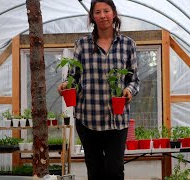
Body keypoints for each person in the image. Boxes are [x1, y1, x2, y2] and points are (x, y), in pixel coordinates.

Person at [57, 0, 139, 179]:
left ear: (114, 13)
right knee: (94, 170)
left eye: (106, 11)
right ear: (92, 17)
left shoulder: (127, 44)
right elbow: (74, 77)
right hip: (88, 118)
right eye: (98, 12)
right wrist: (66, 85)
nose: (102, 16)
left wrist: (128, 91)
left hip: (117, 120)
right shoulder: (82, 44)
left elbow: (133, 79)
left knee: (114, 169)